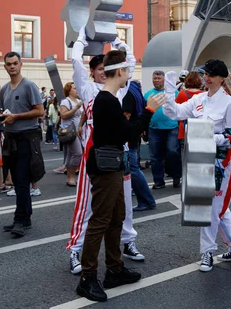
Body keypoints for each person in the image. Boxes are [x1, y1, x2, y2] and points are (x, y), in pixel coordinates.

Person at [76, 49, 165, 302]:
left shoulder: (109, 99)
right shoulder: (106, 100)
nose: (129, 74)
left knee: (116, 217)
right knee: (101, 220)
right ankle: (88, 278)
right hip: (106, 167)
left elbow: (122, 131)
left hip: (111, 164)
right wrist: (149, 110)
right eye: (128, 70)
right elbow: (126, 133)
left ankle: (114, 269)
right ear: (121, 71)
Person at [67, 27, 144, 275]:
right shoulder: (90, 90)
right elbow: (76, 61)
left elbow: (129, 61)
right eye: (99, 69)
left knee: (122, 207)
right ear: (93, 73)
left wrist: (117, 39)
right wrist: (81, 38)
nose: (103, 73)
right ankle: (76, 249)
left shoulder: (119, 90)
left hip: (118, 150)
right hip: (96, 151)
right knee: (88, 206)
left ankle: (126, 243)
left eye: (105, 69)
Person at [162, 60, 231, 273]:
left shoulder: (230, 104)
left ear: (221, 78)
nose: (206, 78)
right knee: (212, 205)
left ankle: (207, 251)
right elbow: (174, 114)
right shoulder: (199, 99)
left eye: (211, 74)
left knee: (211, 207)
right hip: (199, 156)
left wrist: (209, 136)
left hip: (221, 161)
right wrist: (169, 89)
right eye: (205, 74)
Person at [0, 52, 45, 237]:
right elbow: (4, 111)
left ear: (21, 64)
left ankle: (20, 220)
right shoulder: (4, 89)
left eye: (15, 63)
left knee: (22, 180)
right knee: (18, 181)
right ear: (5, 67)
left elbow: (40, 111)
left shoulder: (29, 85)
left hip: (27, 137)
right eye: (9, 64)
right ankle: (25, 218)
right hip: (11, 138)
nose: (12, 66)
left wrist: (16, 117)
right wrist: (1, 116)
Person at [122, 80, 157, 211]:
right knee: (133, 167)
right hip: (134, 134)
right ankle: (146, 200)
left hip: (128, 136)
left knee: (132, 168)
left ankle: (147, 200)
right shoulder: (135, 90)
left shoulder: (127, 92)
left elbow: (126, 115)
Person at [144, 70, 182, 189]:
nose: (156, 80)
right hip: (154, 129)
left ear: (164, 80)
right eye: (154, 78)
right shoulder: (148, 94)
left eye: (159, 78)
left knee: (173, 152)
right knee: (155, 157)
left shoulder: (173, 92)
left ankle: (176, 177)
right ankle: (159, 181)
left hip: (172, 128)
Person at [60, 82, 83, 187]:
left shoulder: (78, 100)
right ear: (69, 90)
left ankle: (70, 177)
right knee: (78, 153)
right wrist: (76, 108)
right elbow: (63, 115)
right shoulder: (65, 101)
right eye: (74, 88)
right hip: (70, 131)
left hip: (78, 130)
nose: (76, 90)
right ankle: (72, 176)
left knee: (71, 153)